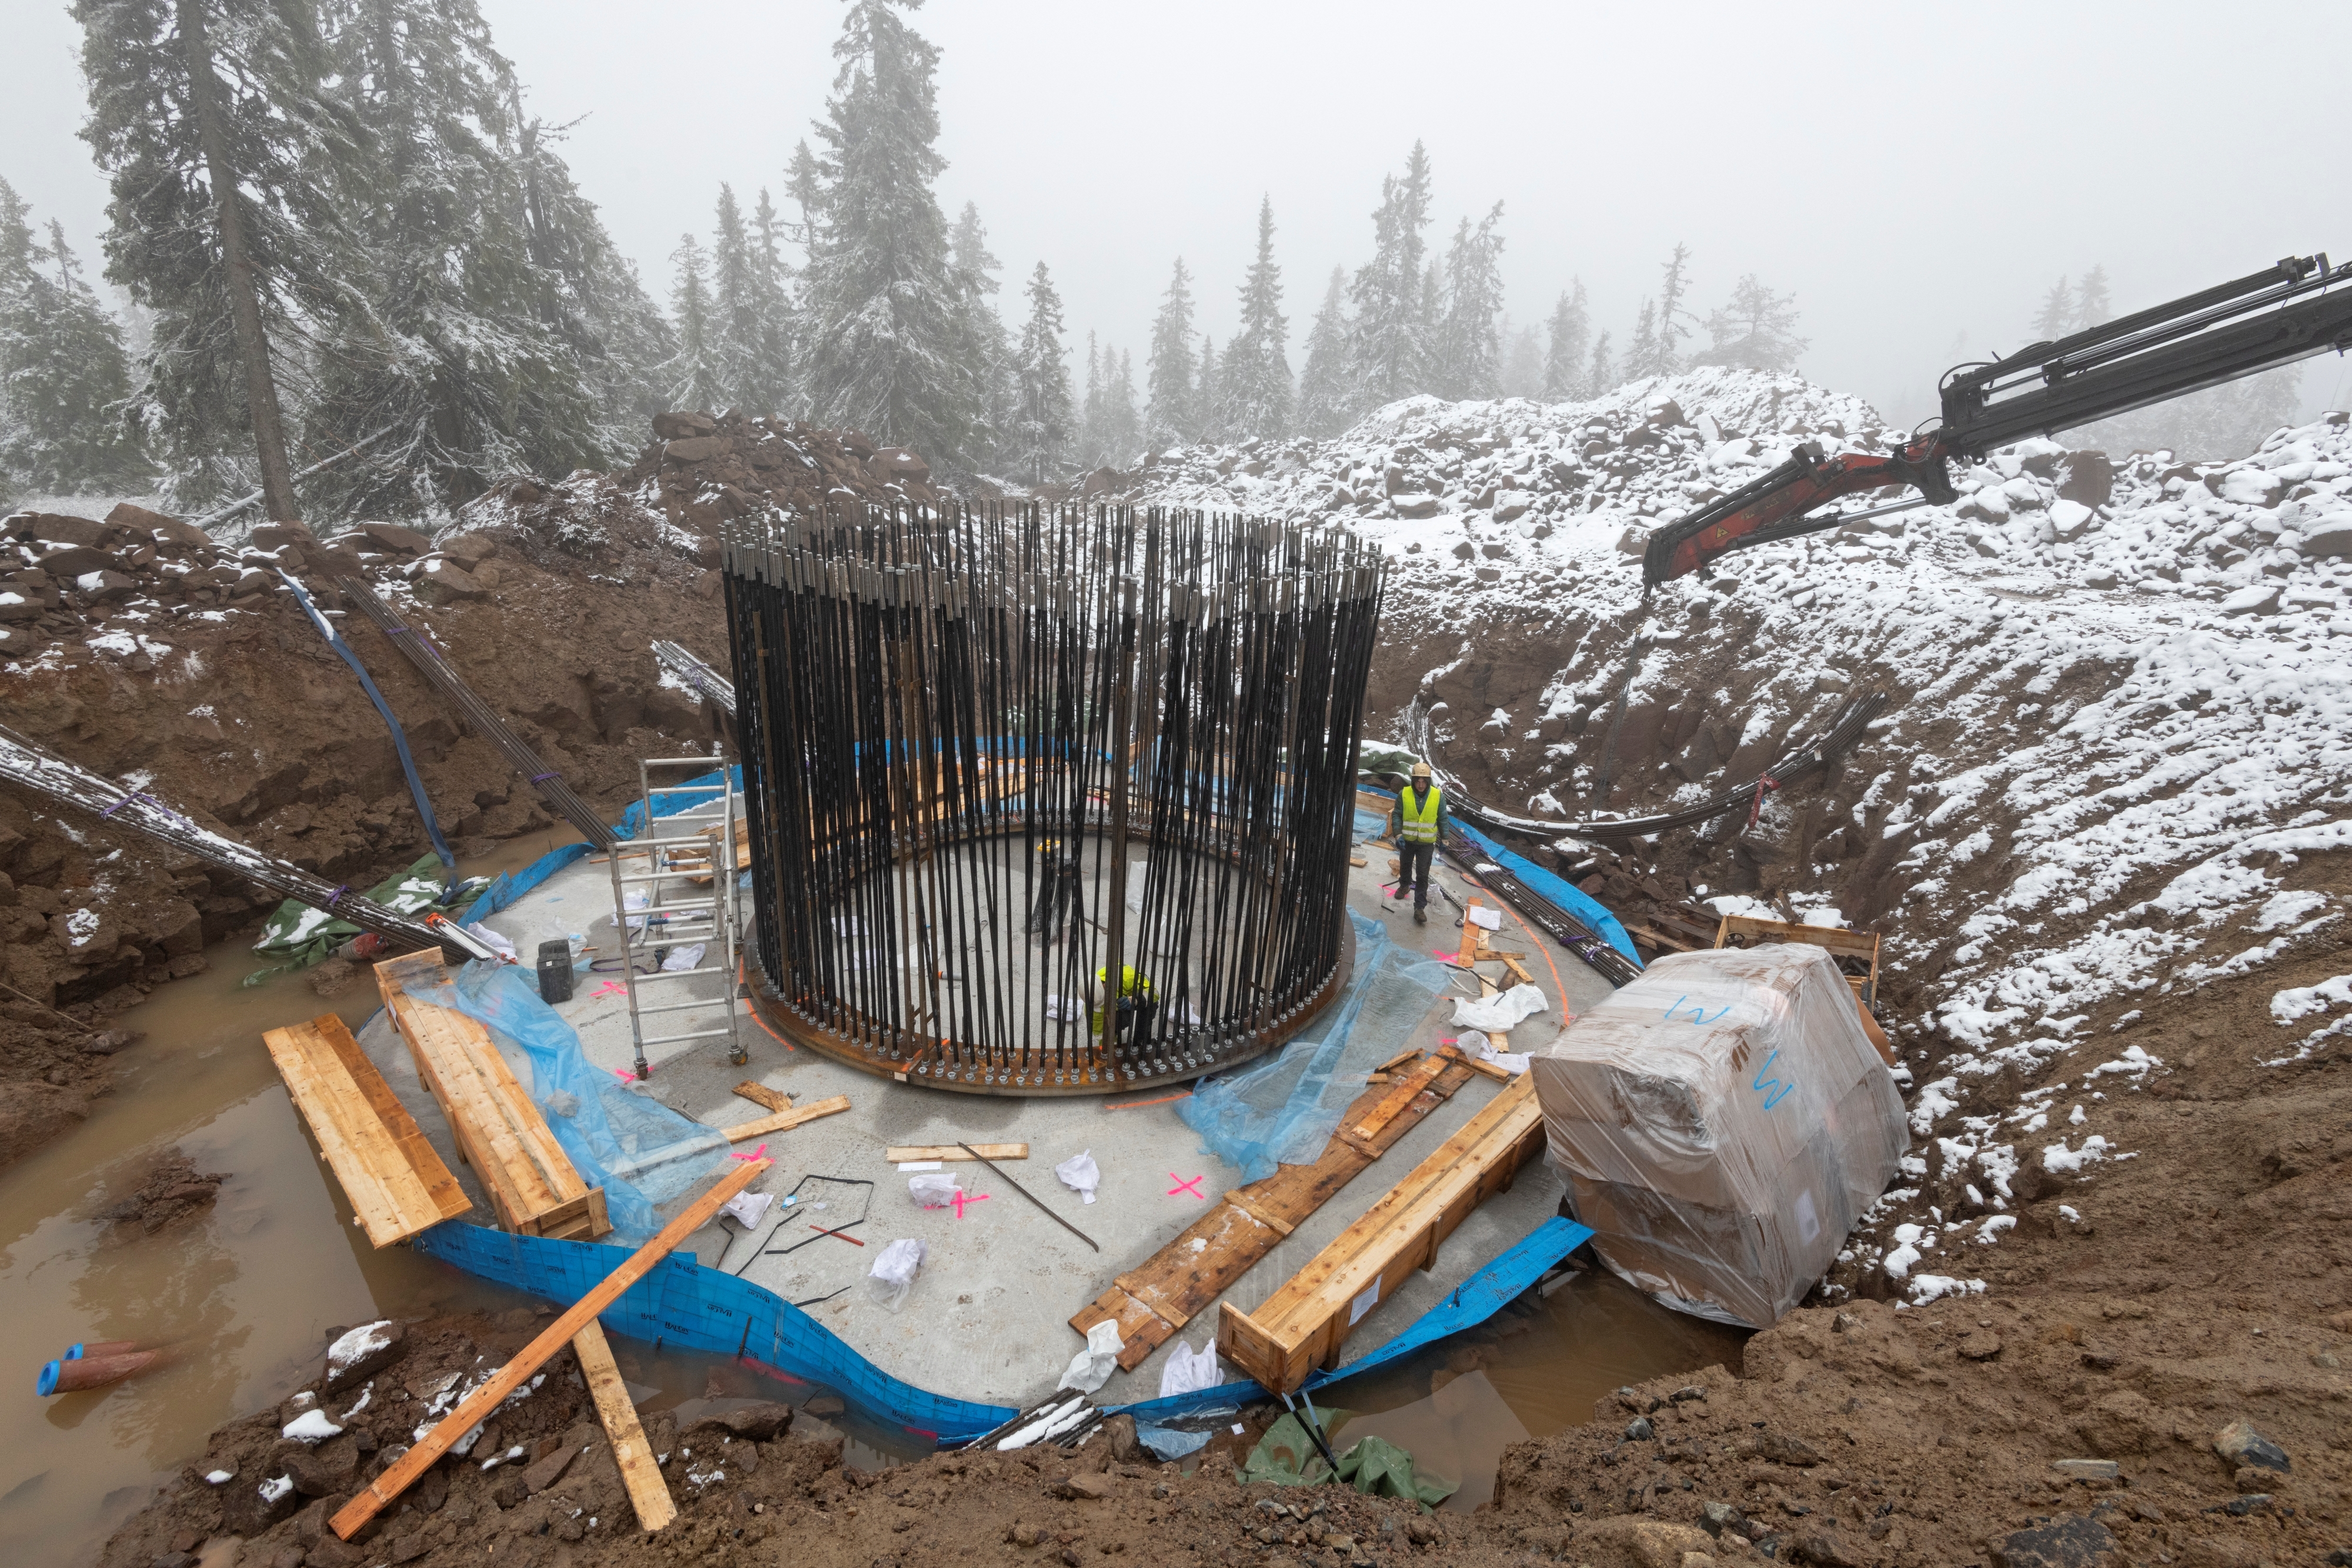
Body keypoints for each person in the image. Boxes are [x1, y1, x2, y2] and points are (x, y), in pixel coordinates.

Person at [1393, 761, 1444, 925]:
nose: (1421, 785)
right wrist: (1398, 834)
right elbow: (1397, 815)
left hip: (1426, 843)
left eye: (1424, 782)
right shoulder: (1404, 794)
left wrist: (1446, 838)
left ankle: (1419, 908)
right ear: (1413, 781)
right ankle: (1404, 885)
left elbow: (1443, 817)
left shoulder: (1437, 795)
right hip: (1407, 841)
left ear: (1428, 782)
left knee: (1423, 874)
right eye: (1418, 781)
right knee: (1405, 865)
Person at [1094, 962, 1155, 1044]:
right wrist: (1110, 1045)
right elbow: (1100, 1032)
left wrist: (1136, 999)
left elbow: (1154, 992)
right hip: (1120, 999)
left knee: (1151, 1003)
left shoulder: (1126, 977)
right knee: (1123, 1019)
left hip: (1134, 989)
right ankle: (1113, 1032)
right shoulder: (1094, 1001)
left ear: (1105, 986)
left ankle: (1141, 1037)